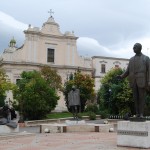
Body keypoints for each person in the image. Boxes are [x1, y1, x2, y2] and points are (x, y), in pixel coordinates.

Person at [118, 43, 150, 118]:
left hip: (142, 80)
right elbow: (128, 71)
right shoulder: (131, 59)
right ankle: (137, 113)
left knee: (141, 98)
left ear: (139, 48)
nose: (133, 48)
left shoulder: (146, 58)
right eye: (133, 47)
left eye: (135, 47)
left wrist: (149, 81)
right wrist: (121, 76)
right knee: (135, 98)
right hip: (133, 81)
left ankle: (141, 114)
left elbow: (149, 70)